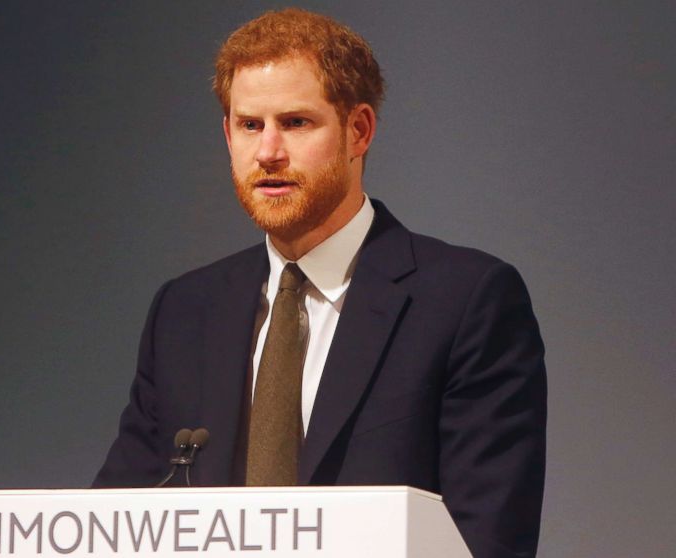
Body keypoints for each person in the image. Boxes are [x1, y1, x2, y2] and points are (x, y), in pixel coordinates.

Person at [94, 8, 546, 558]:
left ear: (359, 130)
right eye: (250, 125)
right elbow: (116, 521)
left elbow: (487, 536)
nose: (268, 153)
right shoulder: (184, 310)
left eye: (296, 123)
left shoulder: (466, 301)